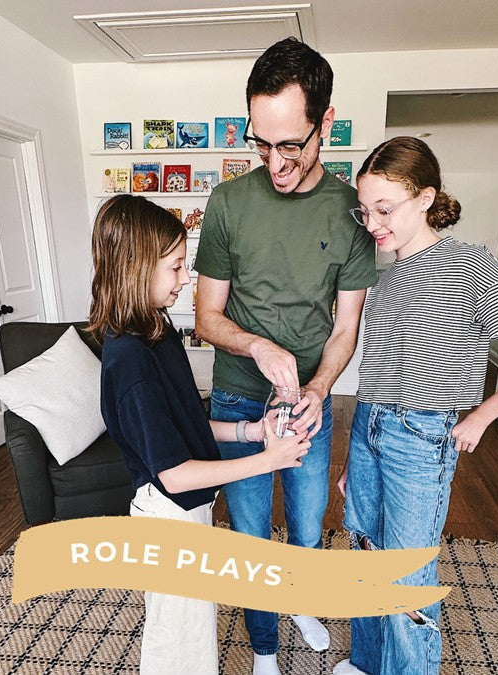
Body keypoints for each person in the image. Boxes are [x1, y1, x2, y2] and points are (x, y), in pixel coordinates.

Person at [334, 136, 498, 675]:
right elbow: (379, 368)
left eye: (384, 209)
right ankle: (367, 663)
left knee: (406, 576)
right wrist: (356, 453)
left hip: (421, 436)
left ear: (425, 198)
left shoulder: (468, 266)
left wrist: (483, 414)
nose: (372, 224)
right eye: (364, 210)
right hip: (371, 426)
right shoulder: (387, 274)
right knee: (366, 552)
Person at [194, 37, 377, 675]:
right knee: (250, 538)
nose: (275, 162)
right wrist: (257, 344)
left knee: (304, 528)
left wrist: (319, 388)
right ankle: (265, 649)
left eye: (291, 145)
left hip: (309, 405)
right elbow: (206, 318)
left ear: (326, 122)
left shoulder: (353, 213)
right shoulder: (227, 204)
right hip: (238, 398)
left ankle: (298, 601)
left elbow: (346, 328)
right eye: (261, 143)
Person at [88, 194, 310, 675]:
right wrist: (269, 460)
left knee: (194, 635)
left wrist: (251, 430)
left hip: (189, 511)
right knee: (178, 646)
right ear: (133, 267)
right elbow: (174, 473)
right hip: (169, 518)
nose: (186, 279)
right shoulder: (130, 361)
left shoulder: (157, 331)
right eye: (175, 267)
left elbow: (185, 423)